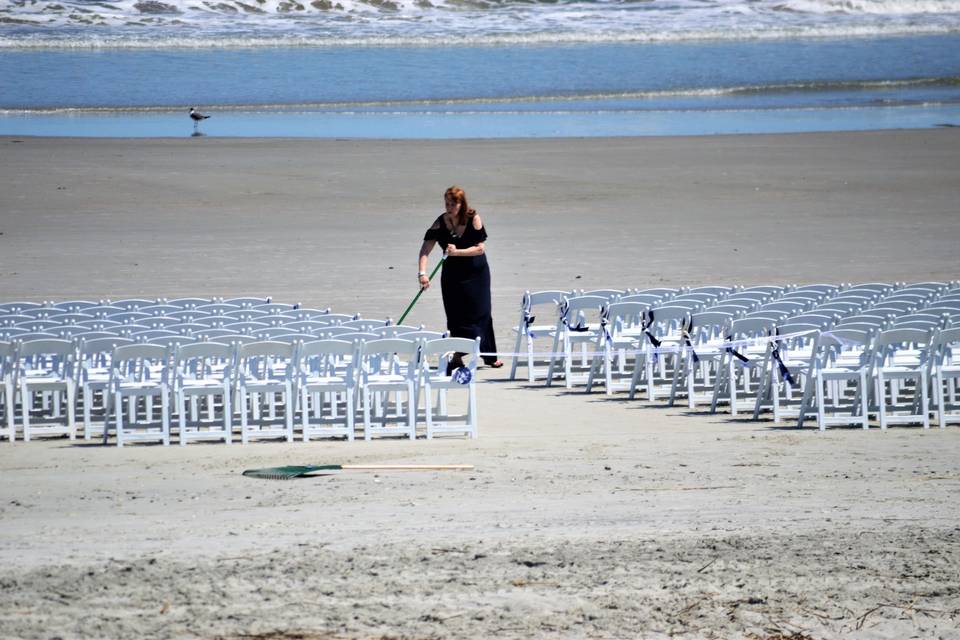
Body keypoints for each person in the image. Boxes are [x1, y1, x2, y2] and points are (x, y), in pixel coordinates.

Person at [418, 186, 502, 368]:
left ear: (461, 204)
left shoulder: (473, 218)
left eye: (453, 204)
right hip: (452, 276)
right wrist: (422, 273)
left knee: (482, 312)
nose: (449, 208)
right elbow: (426, 248)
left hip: (476, 273)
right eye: (447, 204)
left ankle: (489, 355)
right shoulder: (441, 222)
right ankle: (457, 356)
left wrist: (457, 252)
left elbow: (480, 248)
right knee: (456, 316)